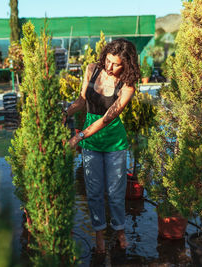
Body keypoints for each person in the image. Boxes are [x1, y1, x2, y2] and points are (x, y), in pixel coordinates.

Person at [65, 39, 140, 254]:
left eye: (116, 64)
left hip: (114, 143)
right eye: (108, 61)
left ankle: (120, 231)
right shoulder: (91, 70)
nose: (110, 67)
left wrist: (78, 138)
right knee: (95, 192)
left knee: (115, 193)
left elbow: (107, 118)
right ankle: (99, 235)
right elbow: (81, 101)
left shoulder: (127, 86)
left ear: (127, 64)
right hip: (92, 142)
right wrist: (65, 113)